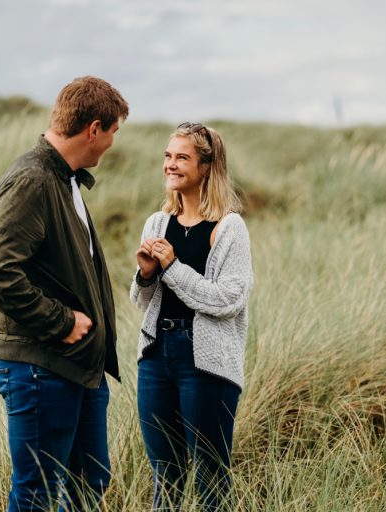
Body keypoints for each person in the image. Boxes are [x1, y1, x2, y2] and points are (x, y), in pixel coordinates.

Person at [0, 76, 128, 512]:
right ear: (94, 129)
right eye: (114, 133)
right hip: (41, 369)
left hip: (79, 369)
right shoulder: (32, 180)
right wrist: (61, 322)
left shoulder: (65, 179)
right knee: (37, 496)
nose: (112, 145)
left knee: (90, 482)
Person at [130, 122, 253, 510]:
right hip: (155, 356)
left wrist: (172, 266)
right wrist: (146, 274)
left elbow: (227, 299)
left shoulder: (229, 227)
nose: (171, 164)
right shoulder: (156, 222)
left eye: (182, 157)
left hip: (206, 364)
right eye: (168, 156)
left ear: (206, 166)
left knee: (211, 480)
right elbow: (141, 300)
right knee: (164, 478)